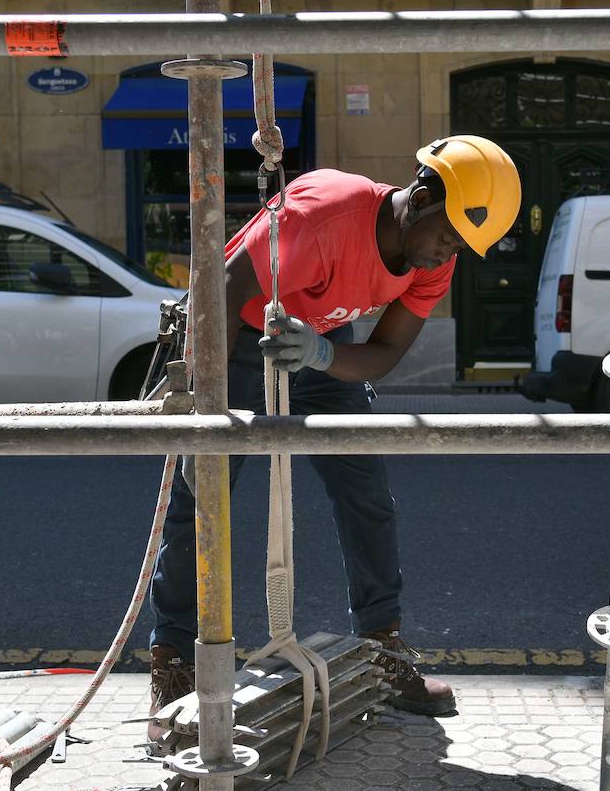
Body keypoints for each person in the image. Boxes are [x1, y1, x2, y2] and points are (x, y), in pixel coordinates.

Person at [148, 134, 522, 721]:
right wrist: (209, 403)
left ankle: (383, 646)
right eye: (447, 237)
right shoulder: (324, 215)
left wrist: (322, 356)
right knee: (204, 493)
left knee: (366, 493)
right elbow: (224, 287)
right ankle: (172, 657)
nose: (446, 256)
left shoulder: (431, 265)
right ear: (422, 197)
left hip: (317, 343)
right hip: (236, 334)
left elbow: (384, 352)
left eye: (460, 248)